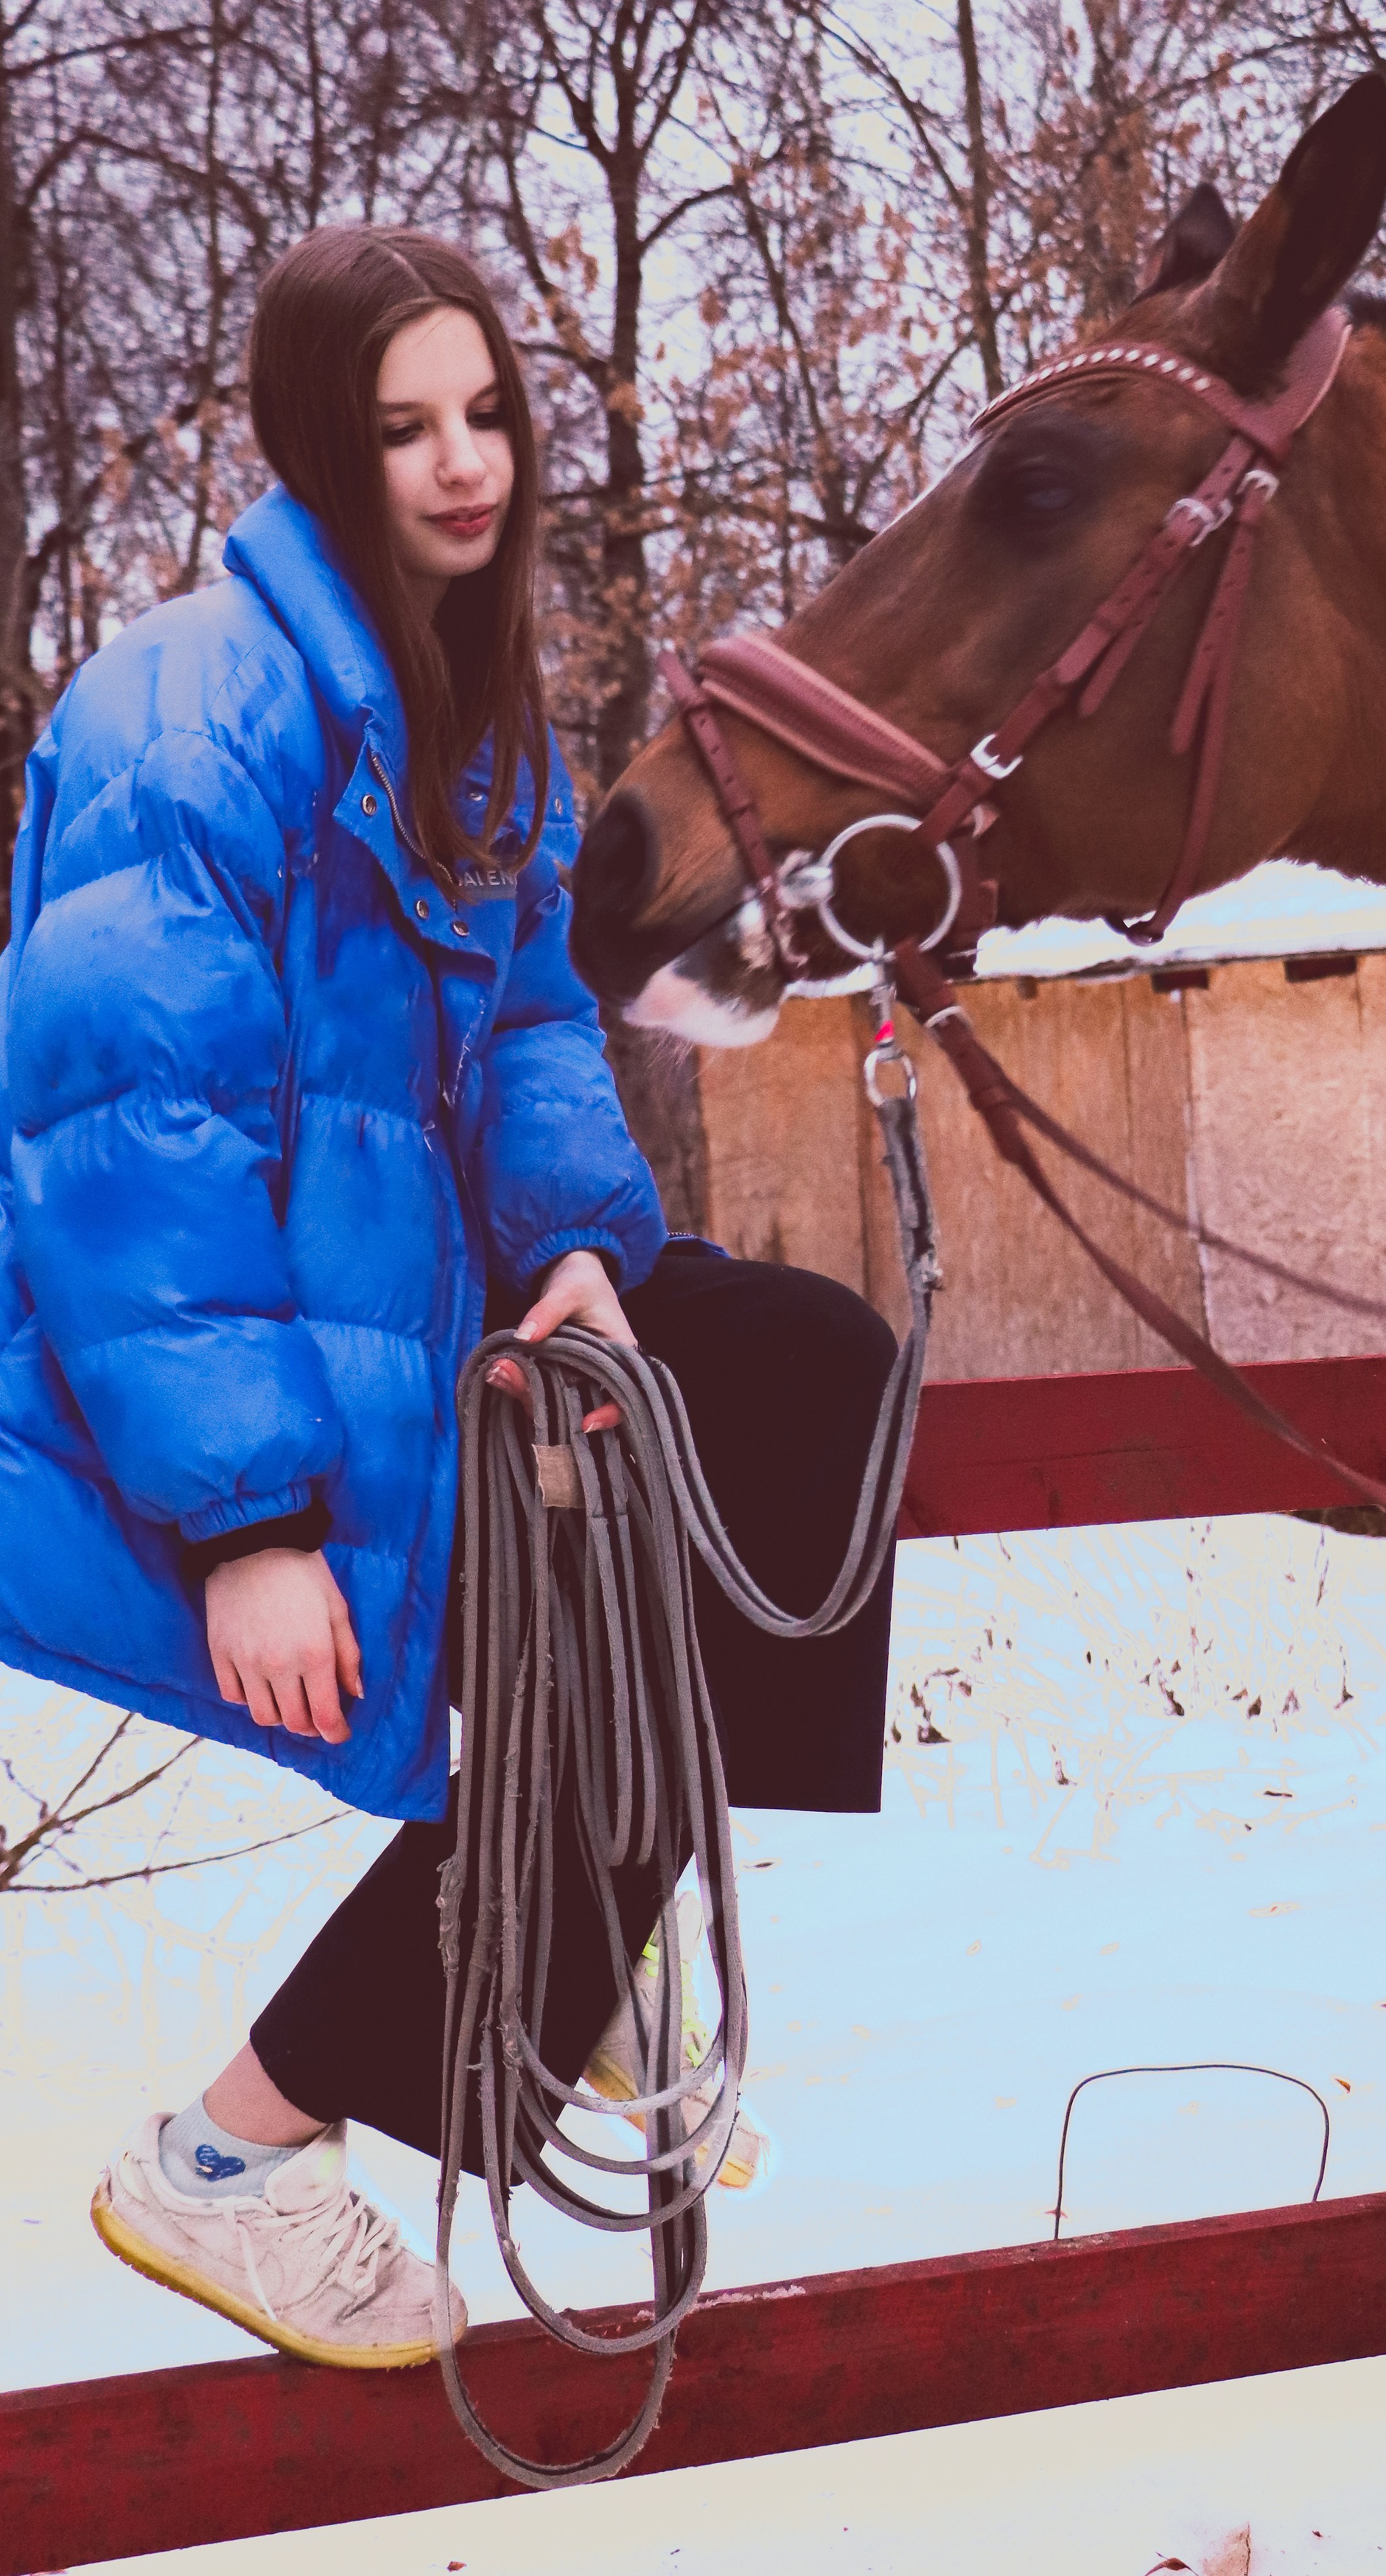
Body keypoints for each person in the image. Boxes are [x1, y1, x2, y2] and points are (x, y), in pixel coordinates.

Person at [0, 227, 896, 2368]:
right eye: (403, 427)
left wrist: (585, 1239)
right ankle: (231, 2156)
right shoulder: (187, 707)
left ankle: (578, 1943)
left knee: (809, 1381)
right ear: (319, 441)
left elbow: (522, 1036)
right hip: (226, 1388)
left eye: (486, 411)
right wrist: (251, 1526)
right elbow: (131, 1130)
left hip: (435, 1320)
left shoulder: (478, 722)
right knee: (608, 1695)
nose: (463, 462)